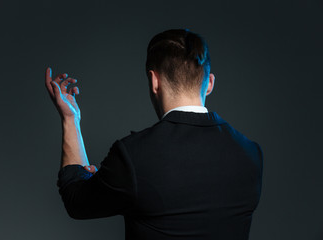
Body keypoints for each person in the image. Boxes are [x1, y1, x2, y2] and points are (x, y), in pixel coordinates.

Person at [45, 29, 263, 240]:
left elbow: (76, 200)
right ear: (210, 84)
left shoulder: (132, 157)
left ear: (154, 81)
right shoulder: (251, 154)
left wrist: (70, 119)